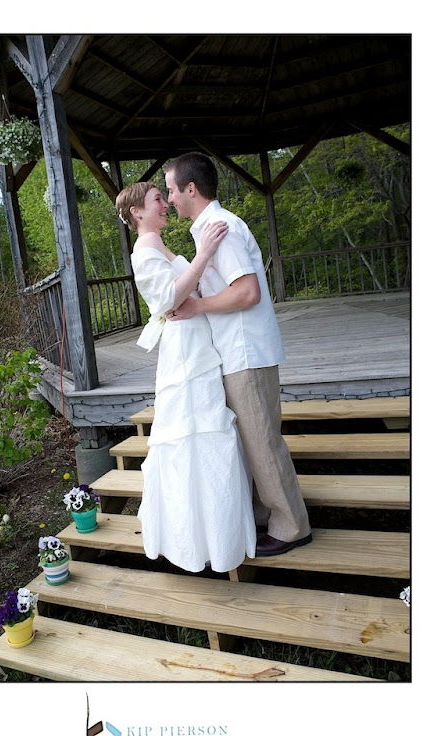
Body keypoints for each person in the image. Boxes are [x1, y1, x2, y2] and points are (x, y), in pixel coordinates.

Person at [163, 152, 312, 556]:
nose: (169, 198)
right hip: (235, 352)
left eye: (171, 190)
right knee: (251, 442)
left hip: (246, 352)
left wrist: (196, 305)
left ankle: (292, 527)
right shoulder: (208, 229)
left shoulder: (221, 227)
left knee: (262, 442)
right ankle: (266, 515)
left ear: (190, 188)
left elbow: (247, 292)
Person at [115, 181, 256, 573]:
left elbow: (187, 287)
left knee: (209, 430)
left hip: (197, 343)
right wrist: (204, 253)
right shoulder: (144, 250)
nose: (166, 203)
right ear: (137, 212)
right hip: (184, 353)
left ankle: (219, 534)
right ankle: (194, 540)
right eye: (157, 199)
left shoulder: (157, 244)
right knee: (191, 433)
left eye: (165, 197)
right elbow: (167, 298)